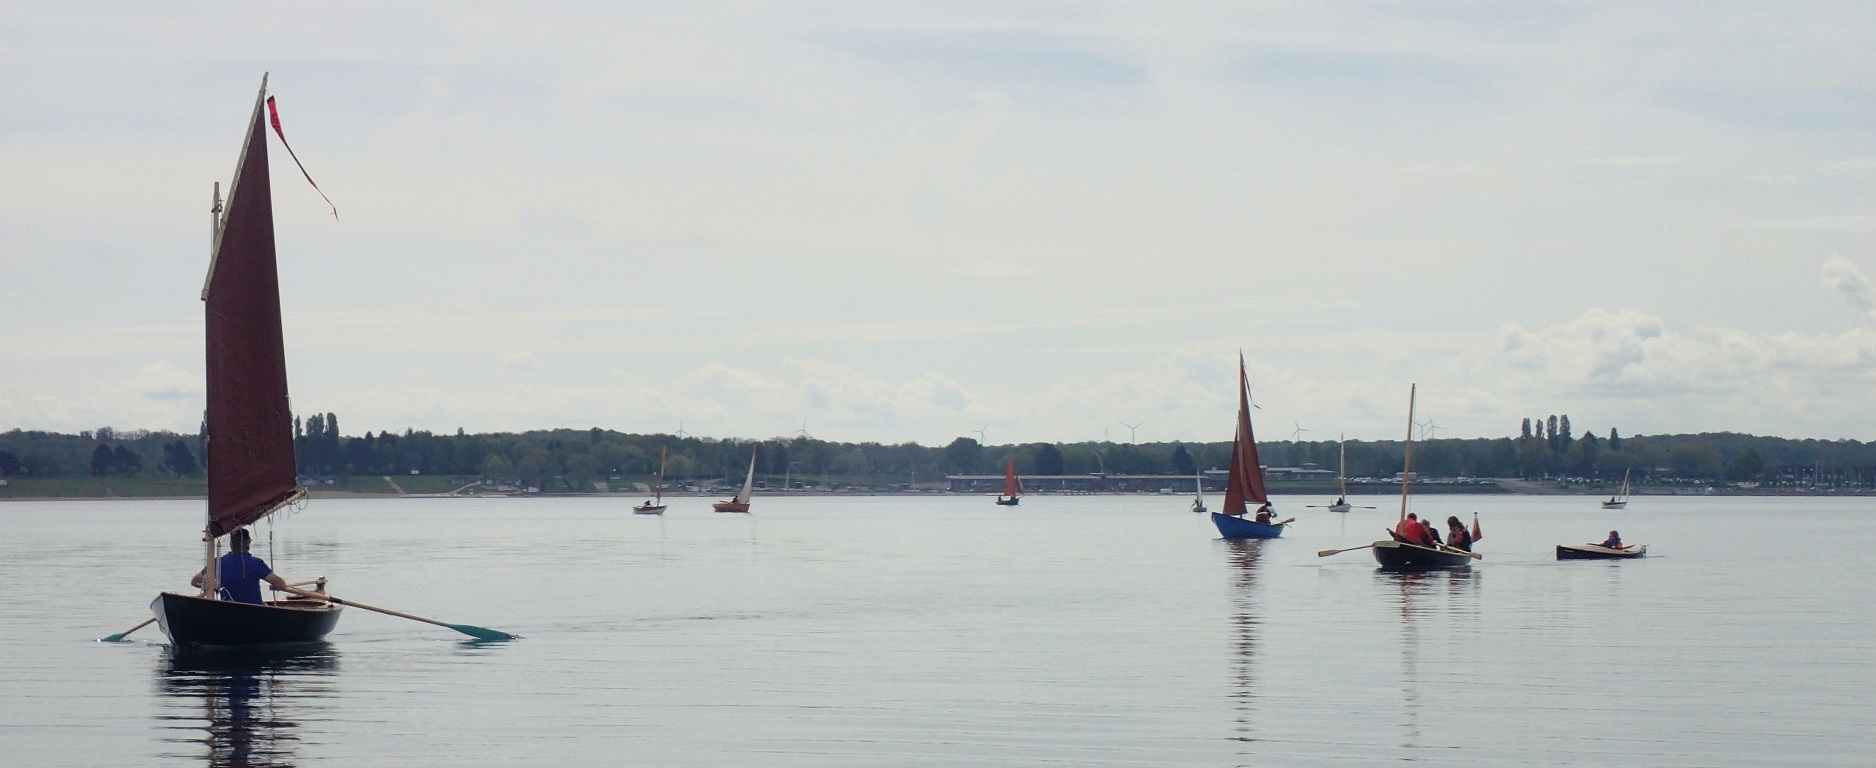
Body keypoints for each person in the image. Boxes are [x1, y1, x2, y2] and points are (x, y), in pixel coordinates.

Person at [191, 528, 289, 604]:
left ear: (231, 544)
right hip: (255, 612)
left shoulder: (218, 563)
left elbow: (195, 582)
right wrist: (275, 586)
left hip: (228, 610)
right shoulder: (256, 564)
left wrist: (213, 585)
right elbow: (281, 584)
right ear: (247, 544)